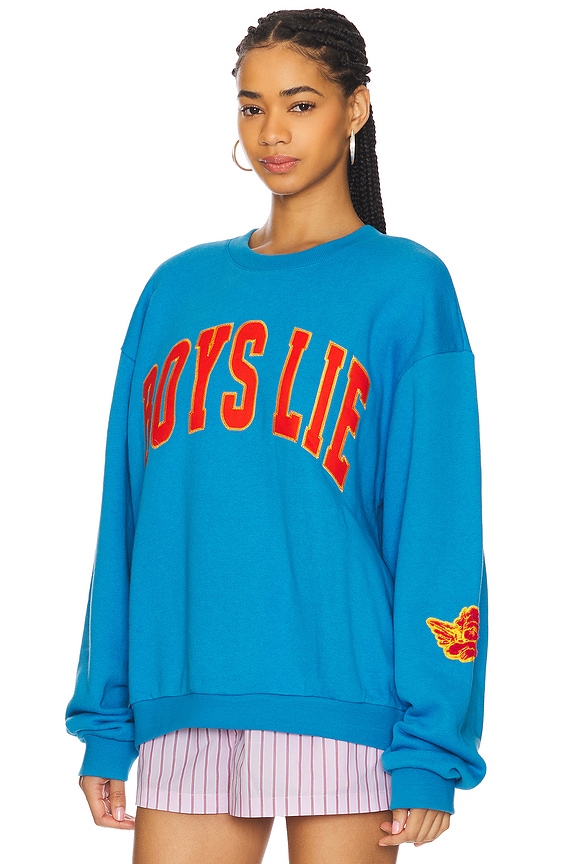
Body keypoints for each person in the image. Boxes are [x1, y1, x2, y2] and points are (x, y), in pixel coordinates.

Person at [65, 8, 487, 863]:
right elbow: (126, 518)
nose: (272, 133)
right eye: (252, 107)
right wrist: (105, 719)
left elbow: (438, 526)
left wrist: (432, 744)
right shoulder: (175, 290)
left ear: (355, 108)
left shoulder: (407, 286)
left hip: (348, 704)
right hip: (186, 700)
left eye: (300, 104)